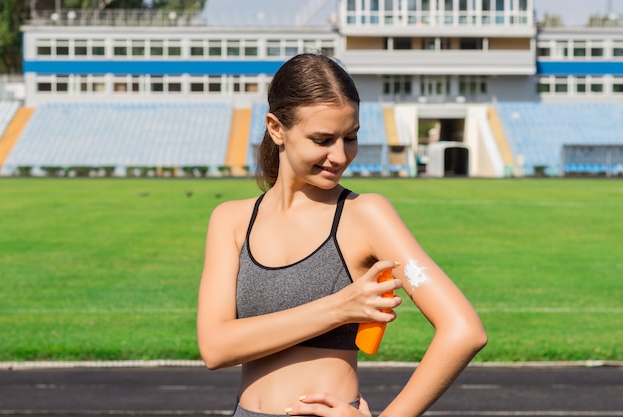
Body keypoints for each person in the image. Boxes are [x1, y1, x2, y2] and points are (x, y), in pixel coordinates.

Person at [196, 53, 487, 417]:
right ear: (276, 128)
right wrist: (339, 308)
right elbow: (216, 347)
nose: (339, 155)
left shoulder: (366, 216)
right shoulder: (231, 220)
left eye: (350, 137)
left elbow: (463, 330)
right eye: (322, 139)